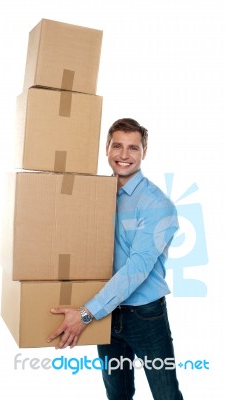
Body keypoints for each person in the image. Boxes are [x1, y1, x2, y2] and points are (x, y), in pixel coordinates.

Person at [47, 118, 183, 400]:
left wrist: (86, 313)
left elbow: (137, 267)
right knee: (117, 394)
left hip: (144, 314)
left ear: (144, 152)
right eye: (117, 146)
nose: (124, 155)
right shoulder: (94, 195)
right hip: (106, 312)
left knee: (166, 395)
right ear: (106, 148)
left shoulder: (158, 205)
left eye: (133, 148)